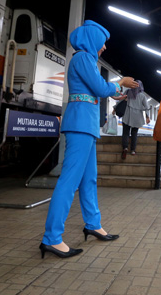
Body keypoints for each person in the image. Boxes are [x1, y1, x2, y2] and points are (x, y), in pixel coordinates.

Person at [40, 20, 138, 259]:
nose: (104, 47)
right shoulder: (83, 58)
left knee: (88, 180)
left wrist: (119, 92)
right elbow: (101, 89)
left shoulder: (86, 60)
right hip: (80, 125)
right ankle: (51, 238)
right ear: (91, 40)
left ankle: (93, 224)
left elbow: (100, 89)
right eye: (102, 43)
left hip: (86, 125)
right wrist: (119, 83)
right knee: (69, 182)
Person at [119, 80, 150, 159]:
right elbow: (147, 107)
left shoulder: (127, 91)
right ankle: (133, 150)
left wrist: (115, 108)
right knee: (134, 133)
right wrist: (147, 117)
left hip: (127, 115)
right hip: (137, 117)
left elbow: (120, 100)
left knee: (125, 132)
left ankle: (125, 148)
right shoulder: (142, 96)